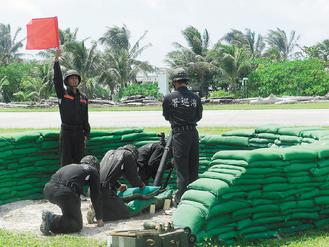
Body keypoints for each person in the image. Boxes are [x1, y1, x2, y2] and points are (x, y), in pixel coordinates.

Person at [162, 68, 203, 205]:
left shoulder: (169, 98)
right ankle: (193, 199)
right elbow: (199, 116)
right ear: (186, 81)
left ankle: (182, 200)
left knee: (181, 169)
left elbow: (167, 116)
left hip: (179, 134)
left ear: (174, 83)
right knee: (193, 167)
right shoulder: (195, 97)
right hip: (193, 133)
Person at [40, 155, 104, 235]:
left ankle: (51, 221)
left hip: (48, 190)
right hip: (64, 192)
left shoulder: (73, 166)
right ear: (96, 166)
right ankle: (51, 219)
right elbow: (95, 195)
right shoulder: (93, 170)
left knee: (71, 213)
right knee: (76, 225)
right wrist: (99, 219)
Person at [53, 49, 90, 166]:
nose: (74, 79)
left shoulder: (83, 97)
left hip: (79, 133)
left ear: (78, 80)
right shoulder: (63, 94)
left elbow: (85, 117)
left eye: (76, 78)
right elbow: (57, 80)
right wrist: (56, 60)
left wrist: (86, 134)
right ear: (67, 81)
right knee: (66, 161)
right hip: (67, 133)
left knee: (79, 161)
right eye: (71, 78)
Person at [97, 145, 145, 221]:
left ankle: (98, 209)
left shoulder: (109, 152)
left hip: (93, 189)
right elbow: (133, 177)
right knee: (125, 213)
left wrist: (118, 185)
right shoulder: (128, 155)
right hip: (104, 191)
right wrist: (142, 185)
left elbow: (105, 174)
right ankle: (99, 214)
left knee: (111, 204)